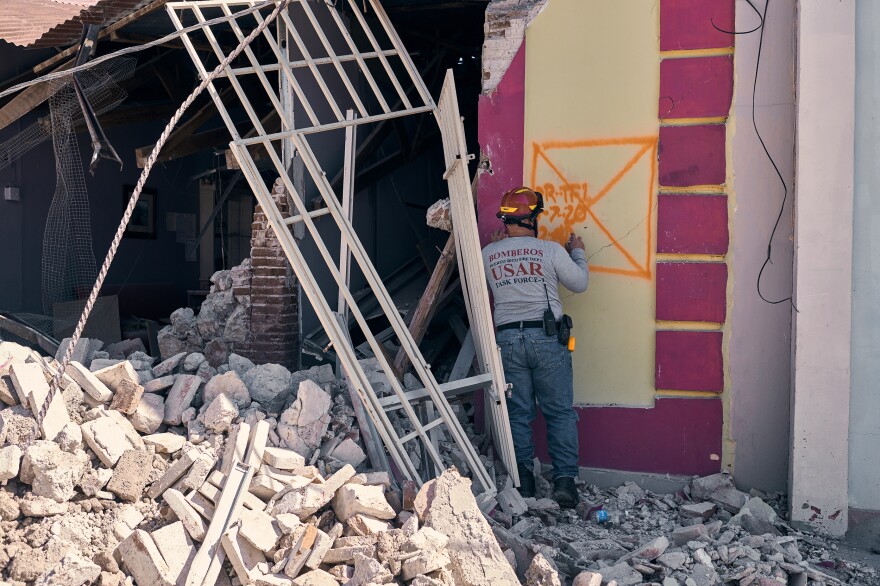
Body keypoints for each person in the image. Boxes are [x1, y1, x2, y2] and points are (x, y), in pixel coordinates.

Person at [482, 186, 589, 508]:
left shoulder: (488, 254)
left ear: (505, 220)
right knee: (559, 413)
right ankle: (565, 484)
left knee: (518, 413)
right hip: (545, 339)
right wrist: (578, 251)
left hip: (507, 340)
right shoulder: (550, 250)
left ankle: (524, 481)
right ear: (534, 218)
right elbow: (579, 283)